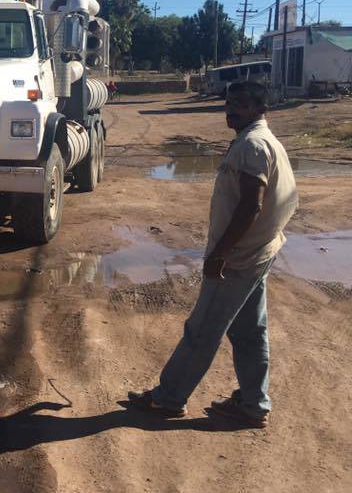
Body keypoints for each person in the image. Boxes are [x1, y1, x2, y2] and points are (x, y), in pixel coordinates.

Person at [127, 81, 298, 428]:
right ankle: (253, 404)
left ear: (260, 108)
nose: (231, 109)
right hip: (258, 252)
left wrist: (221, 253)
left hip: (238, 259)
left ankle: (169, 398)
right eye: (229, 102)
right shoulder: (261, 140)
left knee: (202, 330)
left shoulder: (253, 144)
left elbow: (251, 205)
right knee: (249, 331)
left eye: (241, 104)